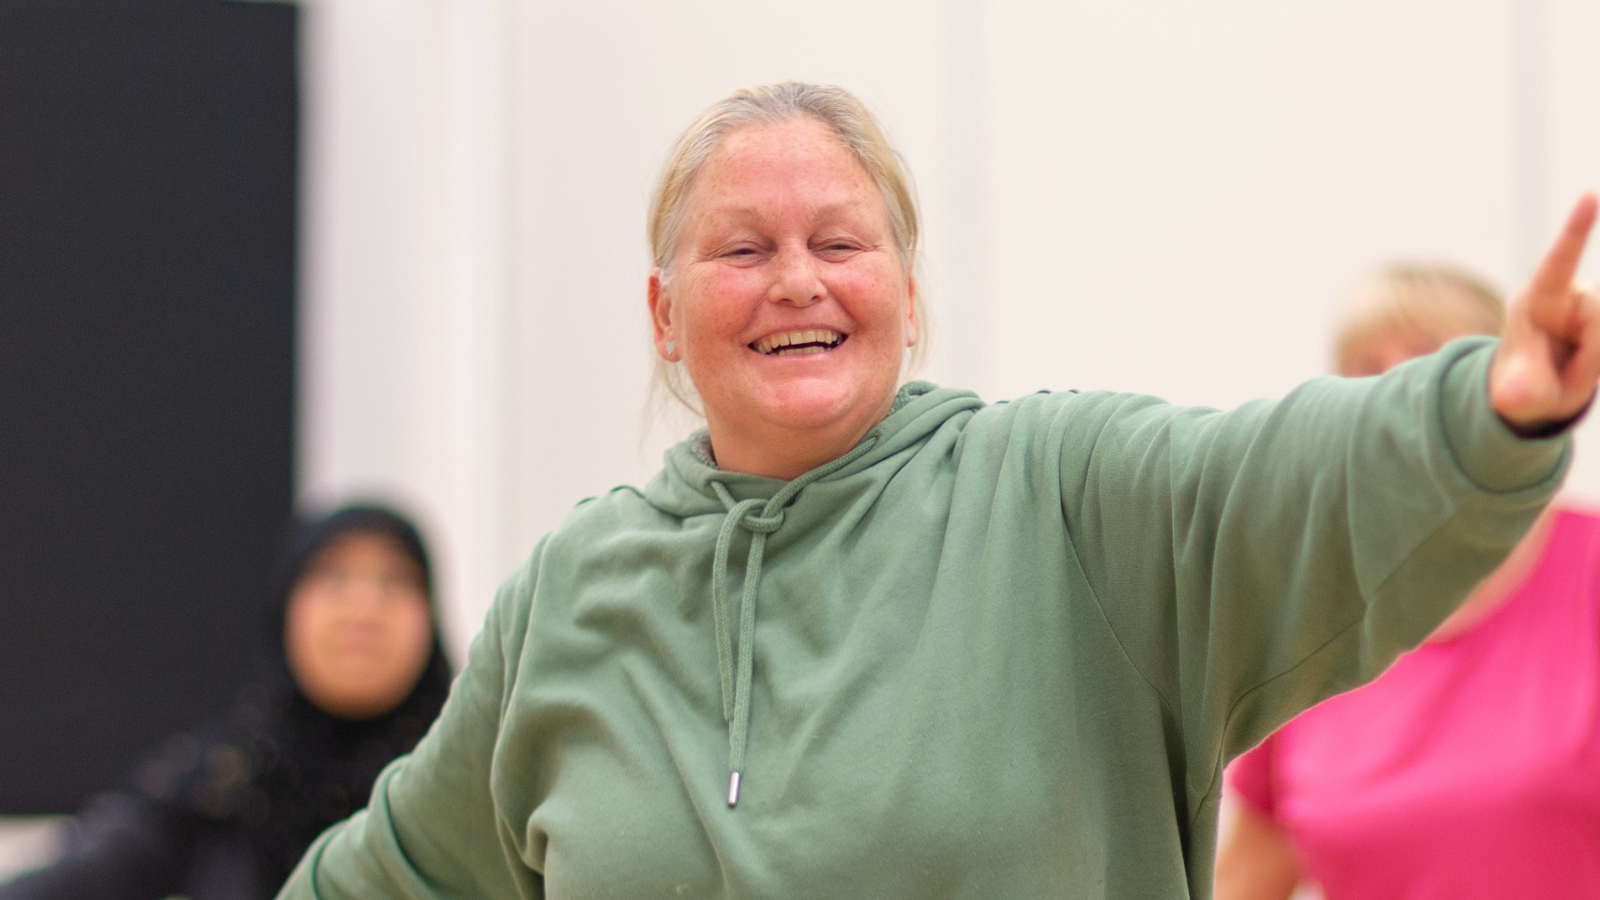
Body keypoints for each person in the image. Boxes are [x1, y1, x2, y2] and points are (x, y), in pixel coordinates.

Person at [277, 83, 1600, 899]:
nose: (797, 279)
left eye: (840, 242)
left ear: (907, 296)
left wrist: (1488, 402)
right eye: (742, 248)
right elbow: (402, 878)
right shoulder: (568, 595)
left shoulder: (1069, 500)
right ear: (663, 314)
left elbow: (1282, 471)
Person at [1213, 267, 1600, 900]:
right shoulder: (1307, 618)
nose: (1397, 385)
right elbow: (1245, 881)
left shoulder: (1589, 568)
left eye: (1432, 357)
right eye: (1366, 367)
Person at [0, 505, 453, 900]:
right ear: (286, 611)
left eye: (395, 581)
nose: (364, 607)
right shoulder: (216, 788)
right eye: (332, 577)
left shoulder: (465, 787)